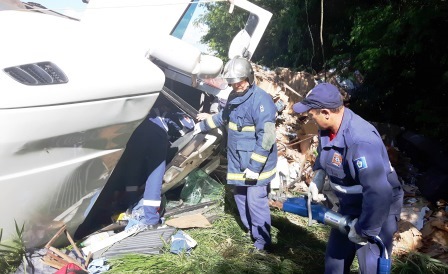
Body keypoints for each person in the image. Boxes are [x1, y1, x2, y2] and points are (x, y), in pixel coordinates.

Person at [292, 83, 403, 273]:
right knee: (334, 263)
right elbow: (324, 153)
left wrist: (364, 230)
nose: (310, 118)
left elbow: (379, 193)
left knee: (371, 268)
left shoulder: (360, 141)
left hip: (377, 211)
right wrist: (319, 175)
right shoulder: (328, 129)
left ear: (326, 112)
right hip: (349, 205)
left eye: (312, 114)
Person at [194, 56, 278, 251]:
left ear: (249, 78)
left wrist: (255, 168)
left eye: (240, 82)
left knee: (255, 201)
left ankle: (262, 244)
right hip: (238, 160)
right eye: (233, 83)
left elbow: (267, 138)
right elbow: (224, 117)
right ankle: (251, 230)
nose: (236, 86)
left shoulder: (262, 101)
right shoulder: (233, 96)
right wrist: (203, 126)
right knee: (240, 197)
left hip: (257, 165)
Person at [121, 103, 193, 229]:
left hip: (135, 136)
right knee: (154, 177)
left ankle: (130, 206)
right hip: (156, 137)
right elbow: (187, 126)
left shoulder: (140, 111)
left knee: (132, 172)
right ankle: (151, 220)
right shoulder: (166, 113)